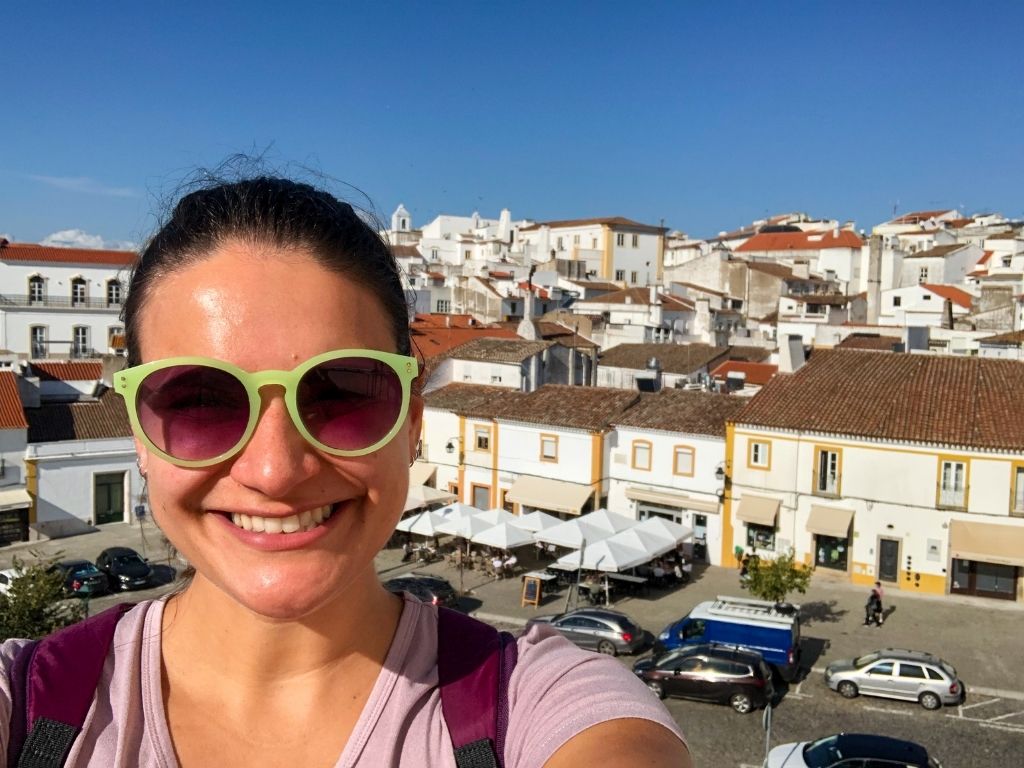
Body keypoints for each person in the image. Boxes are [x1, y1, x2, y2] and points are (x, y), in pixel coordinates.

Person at [0, 176, 689, 767]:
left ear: (412, 422)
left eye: (339, 395)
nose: (274, 470)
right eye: (202, 402)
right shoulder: (26, 709)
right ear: (140, 434)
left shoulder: (539, 706)